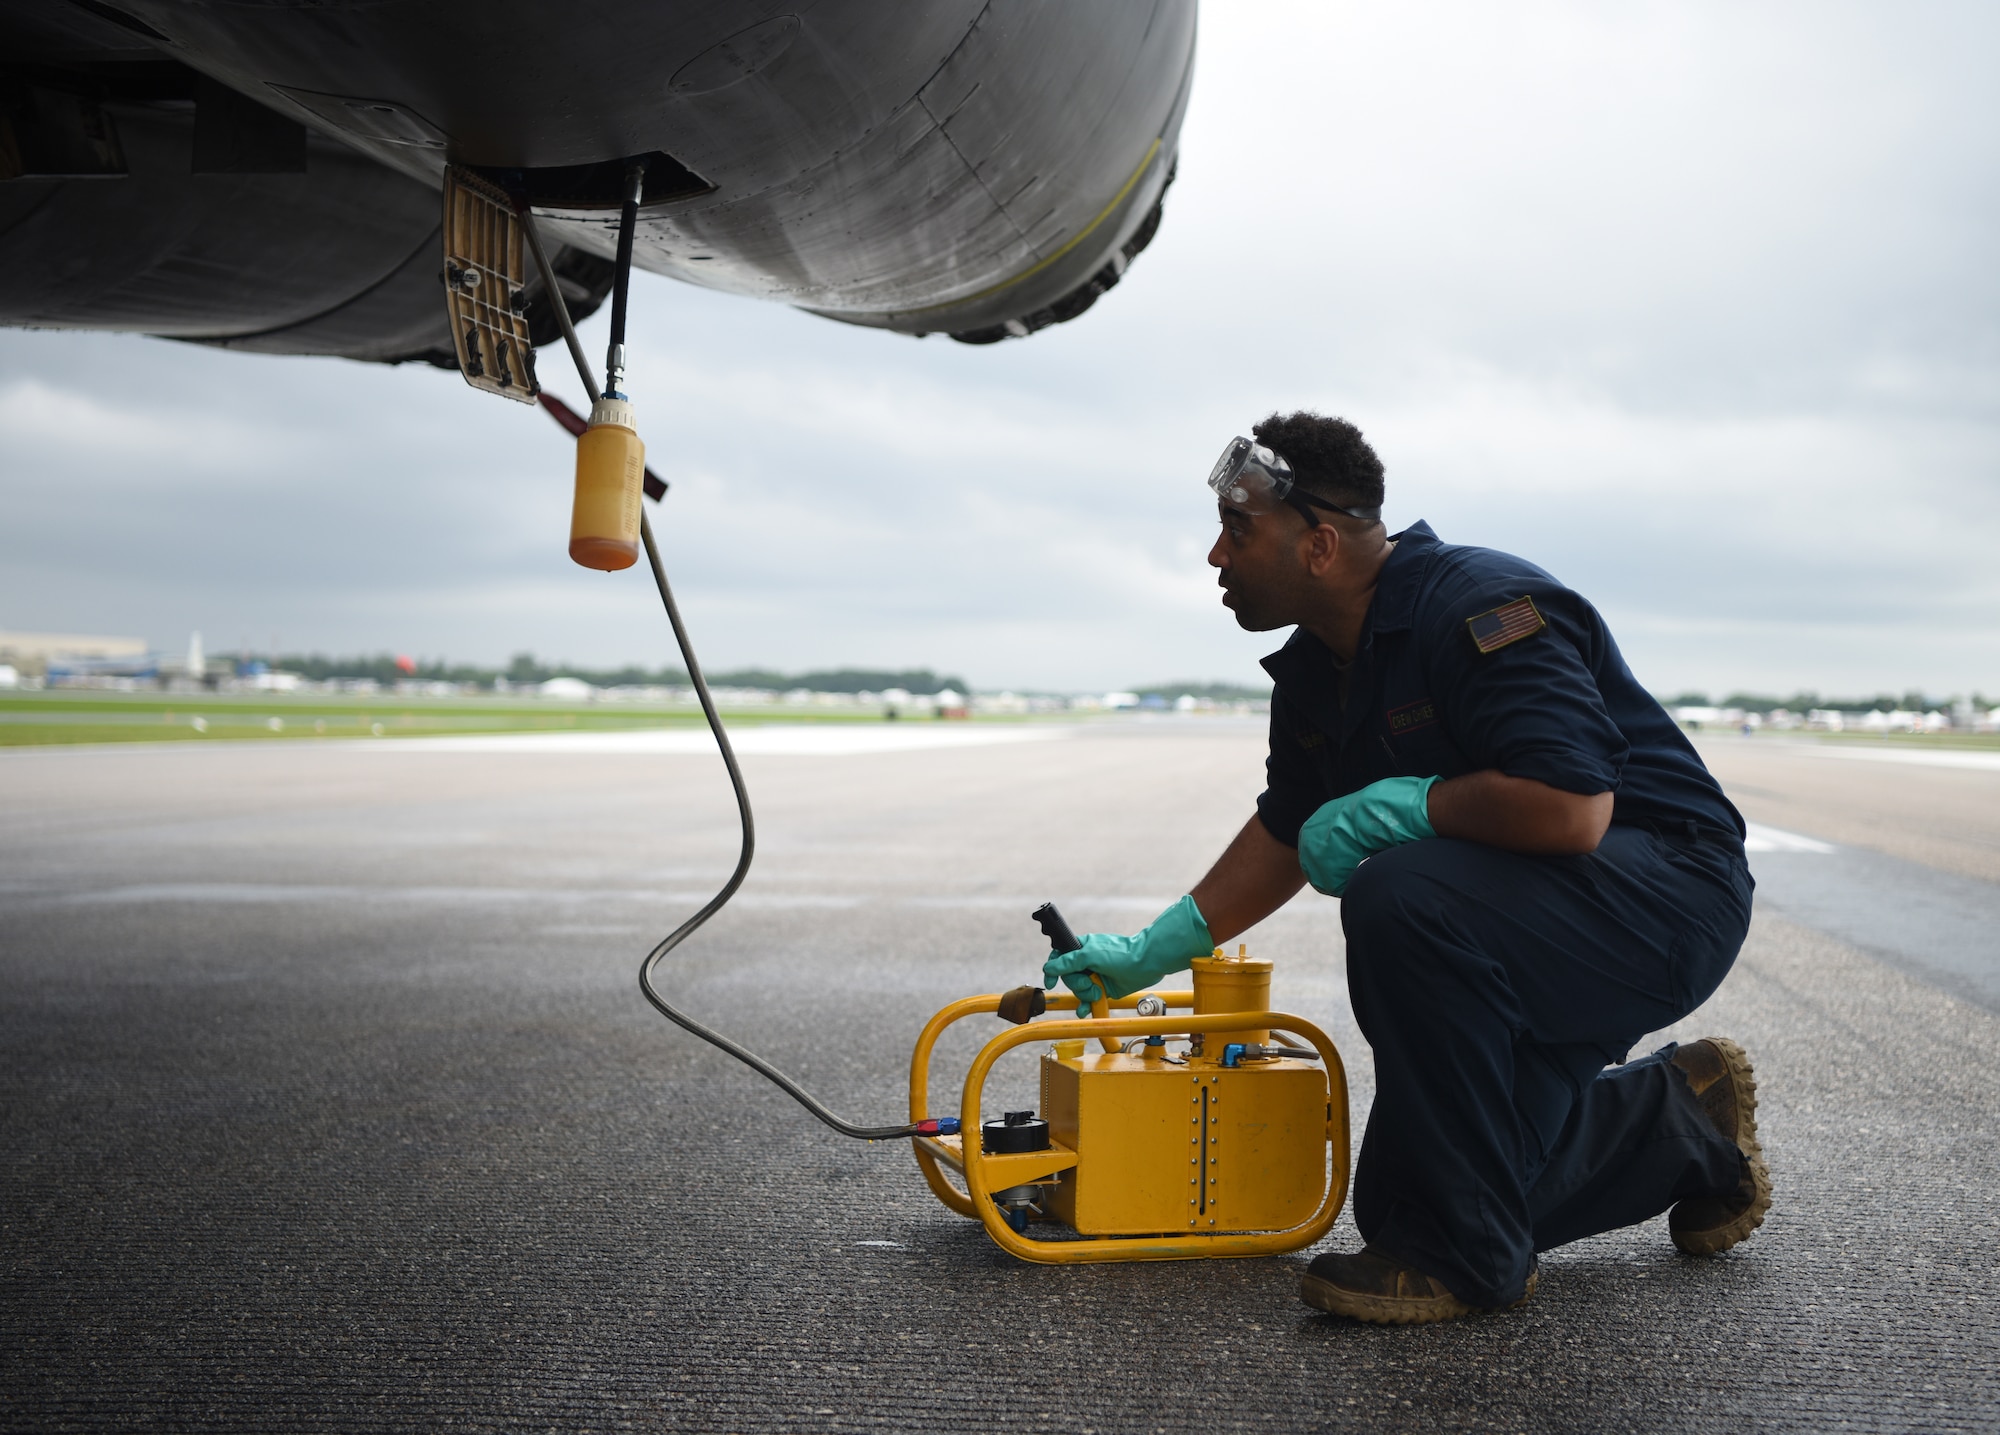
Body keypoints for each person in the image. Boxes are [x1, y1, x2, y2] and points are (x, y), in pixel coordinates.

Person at [1042, 412, 1768, 1324]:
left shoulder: (1478, 606)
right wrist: (1156, 948)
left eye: (1238, 531)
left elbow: (1574, 809)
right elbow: (1286, 828)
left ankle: (1470, 1265)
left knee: (1403, 895)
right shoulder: (1316, 668)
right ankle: (1679, 1117)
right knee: (1406, 1204)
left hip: (1662, 893)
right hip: (1533, 920)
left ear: (1317, 544)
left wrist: (1413, 805)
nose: (1216, 559)